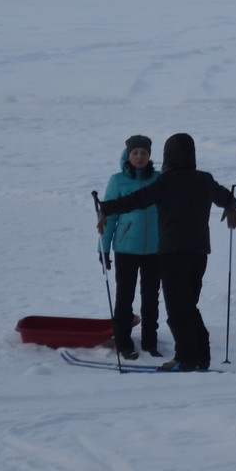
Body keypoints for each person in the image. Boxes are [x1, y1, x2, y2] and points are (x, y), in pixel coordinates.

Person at [97, 132, 236, 372]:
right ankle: (201, 356)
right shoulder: (204, 179)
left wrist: (105, 208)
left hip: (173, 254)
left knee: (177, 310)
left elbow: (136, 200)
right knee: (189, 305)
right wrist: (232, 207)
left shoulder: (165, 182)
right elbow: (226, 197)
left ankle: (185, 358)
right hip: (199, 253)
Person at [100, 135, 163, 359]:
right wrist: (103, 248)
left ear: (149, 156)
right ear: (128, 155)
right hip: (126, 249)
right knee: (124, 297)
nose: (139, 157)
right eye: (135, 153)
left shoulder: (159, 178)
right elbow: (108, 215)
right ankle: (124, 342)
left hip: (155, 250)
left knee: (151, 297)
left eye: (144, 153)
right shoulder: (117, 181)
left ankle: (150, 342)